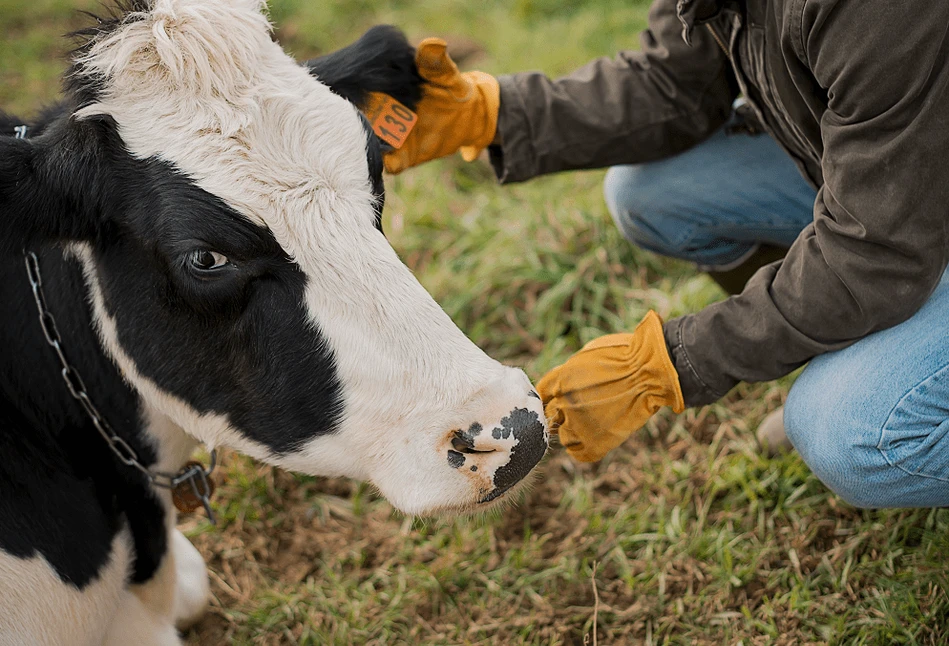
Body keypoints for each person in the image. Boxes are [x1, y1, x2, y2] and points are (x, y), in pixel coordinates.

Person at [381, 0, 949, 508]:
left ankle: (882, 386)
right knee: (650, 194)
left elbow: (874, 253)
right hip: (898, 179)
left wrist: (668, 363)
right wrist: (493, 113)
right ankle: (863, 349)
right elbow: (672, 88)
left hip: (902, 216)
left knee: (851, 432)